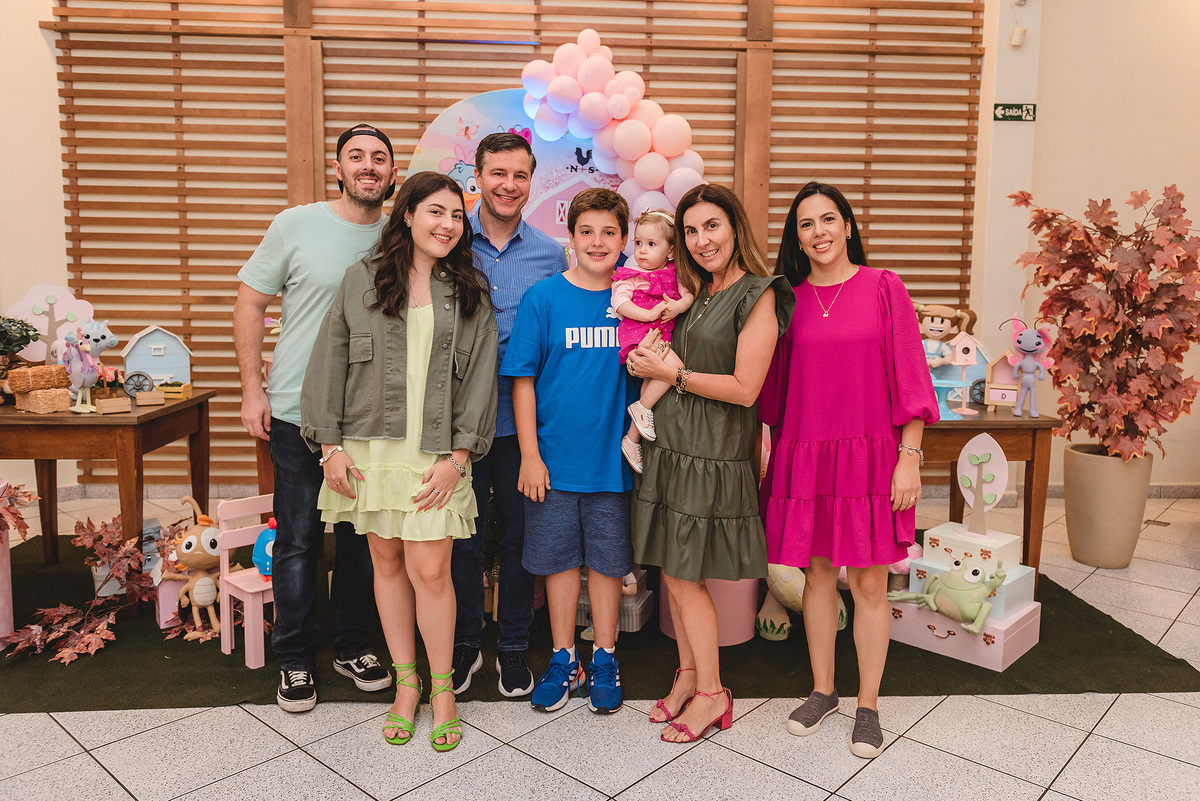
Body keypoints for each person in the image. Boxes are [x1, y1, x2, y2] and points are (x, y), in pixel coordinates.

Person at [301, 171, 498, 751]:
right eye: (435, 211)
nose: (447, 224)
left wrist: (458, 458)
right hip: (368, 448)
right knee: (385, 566)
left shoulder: (469, 290)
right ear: (407, 214)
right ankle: (406, 686)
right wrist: (330, 448)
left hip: (436, 453)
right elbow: (328, 361)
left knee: (431, 572)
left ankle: (443, 691)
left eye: (456, 216)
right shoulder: (360, 279)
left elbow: (481, 379)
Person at [758, 181, 938, 758]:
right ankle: (822, 690)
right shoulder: (786, 300)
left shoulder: (884, 287)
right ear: (797, 238)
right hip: (806, 453)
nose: (819, 232)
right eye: (806, 224)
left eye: (829, 219)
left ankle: (868, 705)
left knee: (867, 583)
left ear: (848, 226)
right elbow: (772, 390)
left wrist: (909, 457)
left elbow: (912, 377)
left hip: (872, 457)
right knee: (815, 576)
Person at [234, 124, 398, 712]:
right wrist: (252, 389)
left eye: (379, 158)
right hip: (295, 409)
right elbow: (250, 302)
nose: (368, 166)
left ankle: (353, 645)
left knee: (361, 540)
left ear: (393, 174)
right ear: (338, 168)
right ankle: (295, 657)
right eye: (356, 156)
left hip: (367, 416)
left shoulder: (402, 235)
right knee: (299, 538)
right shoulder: (294, 225)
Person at [626, 183, 795, 742]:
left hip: (714, 453)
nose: (702, 240)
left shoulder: (758, 293)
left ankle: (712, 694)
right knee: (673, 570)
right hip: (672, 447)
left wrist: (671, 372)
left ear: (735, 227)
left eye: (712, 226)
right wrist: (649, 361)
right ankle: (688, 675)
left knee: (682, 574)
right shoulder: (695, 291)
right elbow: (672, 355)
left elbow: (746, 388)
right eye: (691, 230)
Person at [501, 187, 636, 715]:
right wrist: (530, 456)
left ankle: (604, 656)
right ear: (571, 238)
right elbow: (523, 381)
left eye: (609, 232)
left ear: (624, 240)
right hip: (552, 465)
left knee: (606, 563)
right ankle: (564, 658)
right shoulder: (544, 298)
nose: (597, 242)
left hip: (613, 465)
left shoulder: (634, 303)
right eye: (586, 232)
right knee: (557, 563)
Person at [450, 132, 568, 698]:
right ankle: (465, 641)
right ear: (477, 177)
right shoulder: (448, 242)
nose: (508, 185)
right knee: (463, 537)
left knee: (522, 536)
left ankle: (515, 644)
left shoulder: (550, 254)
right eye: (498, 173)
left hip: (524, 423)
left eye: (519, 175)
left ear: (531, 182)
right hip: (457, 423)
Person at [612, 208, 694, 473]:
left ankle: (631, 439)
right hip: (639, 335)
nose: (642, 251)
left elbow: (689, 295)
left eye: (651, 244)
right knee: (675, 368)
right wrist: (647, 315)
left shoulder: (675, 272)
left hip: (661, 334)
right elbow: (619, 302)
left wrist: (678, 307)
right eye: (638, 243)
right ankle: (641, 407)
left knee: (652, 382)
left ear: (670, 251)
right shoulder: (632, 274)